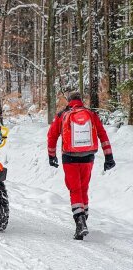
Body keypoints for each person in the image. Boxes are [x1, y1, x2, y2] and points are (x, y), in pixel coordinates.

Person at [47, 91, 116, 240]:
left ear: (69, 101)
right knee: (83, 188)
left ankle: (80, 222)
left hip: (69, 157)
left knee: (74, 189)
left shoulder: (62, 115)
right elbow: (102, 134)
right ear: (80, 100)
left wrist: (51, 155)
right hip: (88, 156)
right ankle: (84, 218)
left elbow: (52, 136)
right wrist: (108, 156)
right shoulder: (91, 114)